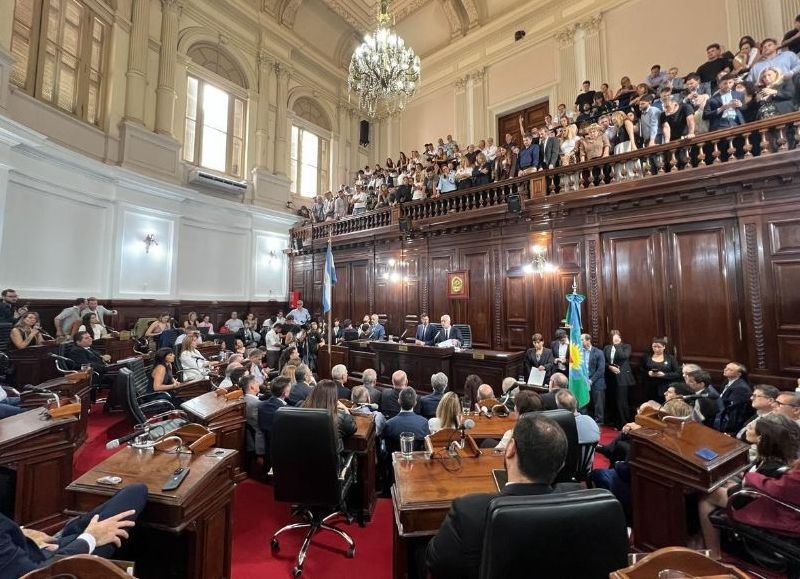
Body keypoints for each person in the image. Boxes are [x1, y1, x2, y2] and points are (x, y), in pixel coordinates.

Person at [426, 414, 568, 578]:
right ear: (561, 464)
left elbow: (437, 563)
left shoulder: (468, 511)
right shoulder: (581, 505)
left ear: (510, 449)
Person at [698, 414, 800, 558]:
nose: (747, 428)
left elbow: (760, 488)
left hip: (758, 504)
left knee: (707, 496)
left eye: (752, 427)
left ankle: (714, 553)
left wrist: (738, 484)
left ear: (761, 438)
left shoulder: (773, 465)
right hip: (756, 495)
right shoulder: (776, 457)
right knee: (724, 484)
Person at [0, 483, 148, 578]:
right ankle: (80, 531)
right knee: (134, 494)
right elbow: (35, 575)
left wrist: (22, 532)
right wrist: (90, 538)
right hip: (52, 568)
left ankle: (74, 531)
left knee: (134, 492)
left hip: (38, 551)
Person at [302, 379, 356, 456]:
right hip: (332, 465)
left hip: (304, 462)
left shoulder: (300, 408)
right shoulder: (341, 417)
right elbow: (353, 428)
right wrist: (346, 410)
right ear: (334, 397)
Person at [604, 330, 634, 426]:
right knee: (612, 399)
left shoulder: (626, 346)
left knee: (622, 400)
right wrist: (609, 366)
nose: (615, 338)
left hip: (622, 377)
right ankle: (615, 421)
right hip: (610, 377)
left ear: (620, 338)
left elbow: (623, 356)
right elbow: (603, 361)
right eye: (613, 336)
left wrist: (617, 345)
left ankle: (624, 423)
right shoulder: (606, 347)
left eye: (616, 336)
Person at [716, 362, 752, 434]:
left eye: (730, 369)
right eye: (726, 368)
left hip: (730, 421)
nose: (725, 370)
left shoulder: (741, 388)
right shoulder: (727, 381)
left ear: (739, 374)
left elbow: (733, 409)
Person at [641, 337, 681, 401]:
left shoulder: (670, 358)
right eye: (654, 346)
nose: (656, 349)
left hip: (665, 387)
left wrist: (664, 375)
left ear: (664, 347)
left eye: (659, 347)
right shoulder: (646, 357)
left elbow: (678, 373)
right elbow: (640, 369)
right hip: (650, 387)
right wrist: (648, 373)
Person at [581, 333, 606, 425]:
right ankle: (584, 421)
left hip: (596, 382)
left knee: (598, 404)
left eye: (582, 339)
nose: (580, 341)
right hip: (583, 381)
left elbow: (601, 369)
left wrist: (591, 380)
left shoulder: (598, 352)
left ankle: (599, 423)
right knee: (583, 403)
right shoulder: (579, 352)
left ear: (588, 340)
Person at [242, 375, 264, 456]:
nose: (258, 383)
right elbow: (259, 429)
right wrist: (260, 454)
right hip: (256, 446)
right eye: (256, 382)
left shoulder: (244, 399)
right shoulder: (256, 404)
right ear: (252, 387)